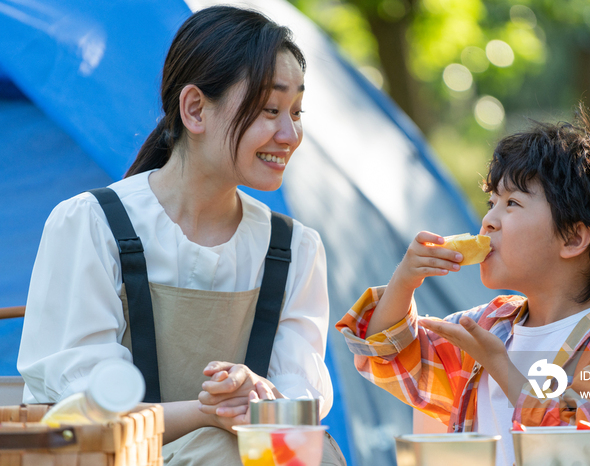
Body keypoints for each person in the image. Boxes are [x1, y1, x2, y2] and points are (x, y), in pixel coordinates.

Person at [18, 6, 345, 466]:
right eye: (271, 110)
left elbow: (296, 411)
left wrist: (259, 395)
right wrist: (210, 412)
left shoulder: (293, 249)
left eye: (296, 111)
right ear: (195, 109)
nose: (290, 134)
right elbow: (88, 413)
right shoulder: (91, 224)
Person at [336, 109, 590, 466]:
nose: (488, 221)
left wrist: (498, 364)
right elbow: (388, 354)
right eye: (492, 203)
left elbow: (585, 454)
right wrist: (405, 279)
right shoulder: (494, 323)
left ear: (573, 237)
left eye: (512, 204)